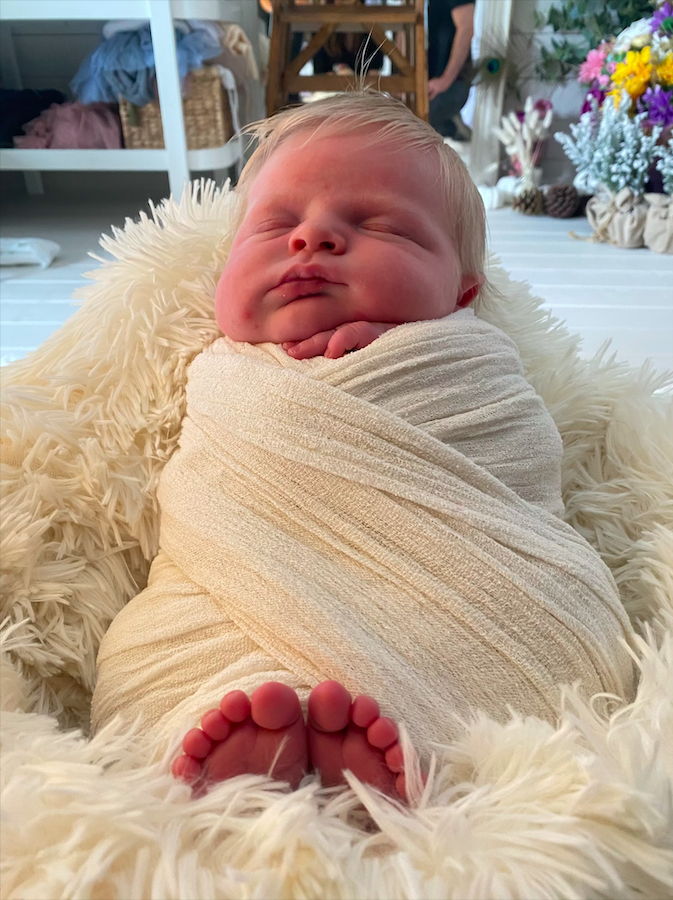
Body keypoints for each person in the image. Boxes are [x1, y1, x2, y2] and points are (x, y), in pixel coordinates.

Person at [92, 91, 635, 805]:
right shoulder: (221, 369)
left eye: (382, 226)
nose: (311, 238)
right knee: (146, 655)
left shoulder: (468, 363)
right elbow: (200, 495)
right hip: (227, 589)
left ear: (462, 294)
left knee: (570, 634)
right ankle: (257, 738)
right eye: (275, 224)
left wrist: (415, 361)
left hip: (458, 601)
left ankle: (356, 741)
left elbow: (520, 466)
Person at [426, 0, 475, 139]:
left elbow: (466, 28)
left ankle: (452, 128)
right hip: (430, 83)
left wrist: (445, 80)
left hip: (449, 86)